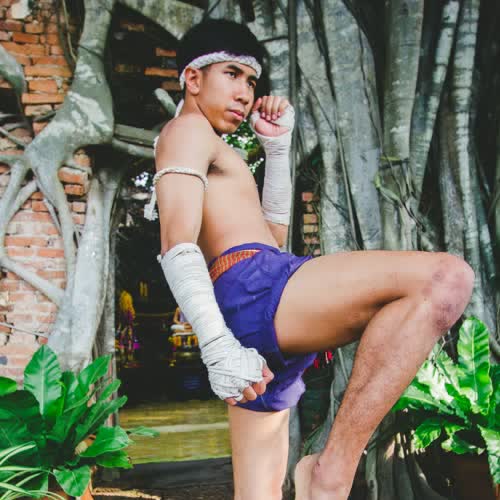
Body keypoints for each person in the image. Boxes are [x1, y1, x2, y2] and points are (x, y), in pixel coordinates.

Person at [148, 19, 474, 500]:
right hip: (254, 288)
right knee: (446, 278)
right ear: (193, 79)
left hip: (260, 300)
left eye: (251, 81)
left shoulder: (216, 147)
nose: (245, 93)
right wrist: (215, 344)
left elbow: (272, 238)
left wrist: (277, 150)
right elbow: (176, 243)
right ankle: (330, 472)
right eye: (232, 74)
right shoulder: (186, 129)